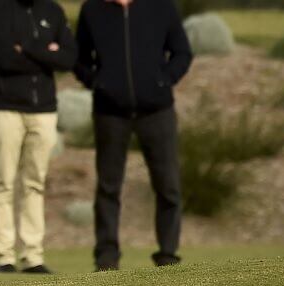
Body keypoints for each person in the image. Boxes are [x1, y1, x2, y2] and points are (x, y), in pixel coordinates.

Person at [75, 0, 194, 271]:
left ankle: (167, 253)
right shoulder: (92, 9)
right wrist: (97, 83)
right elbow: (79, 59)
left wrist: (163, 82)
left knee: (168, 185)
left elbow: (182, 53)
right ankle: (106, 257)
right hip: (109, 112)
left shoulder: (161, 7)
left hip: (157, 110)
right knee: (108, 186)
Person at [0, 0, 74, 274]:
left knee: (35, 183)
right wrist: (46, 52)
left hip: (43, 110)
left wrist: (29, 49)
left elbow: (68, 57)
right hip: (3, 108)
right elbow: (4, 58)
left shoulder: (52, 11)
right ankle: (3, 256)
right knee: (2, 182)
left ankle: (33, 256)